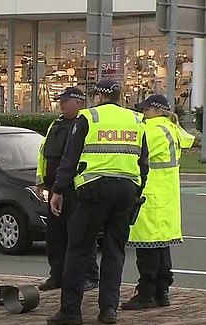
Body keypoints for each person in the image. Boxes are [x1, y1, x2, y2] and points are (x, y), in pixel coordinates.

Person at [46, 79, 149, 325]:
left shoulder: (88, 118)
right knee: (115, 252)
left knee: (78, 249)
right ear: (119, 95)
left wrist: (58, 189)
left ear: (99, 97)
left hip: (93, 190)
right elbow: (143, 163)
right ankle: (108, 310)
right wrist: (137, 190)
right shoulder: (136, 120)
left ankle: (71, 311)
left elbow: (70, 158)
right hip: (125, 190)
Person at [121, 95, 195, 310]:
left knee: (147, 246)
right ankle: (162, 291)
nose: (143, 113)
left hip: (149, 193)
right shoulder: (171, 128)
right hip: (167, 195)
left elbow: (134, 155)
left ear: (156, 110)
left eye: (145, 109)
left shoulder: (150, 130)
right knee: (161, 245)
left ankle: (146, 293)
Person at [36, 87, 99, 292]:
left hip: (76, 188)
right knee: (55, 235)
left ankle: (88, 276)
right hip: (55, 188)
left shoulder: (85, 123)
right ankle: (57, 275)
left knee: (80, 234)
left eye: (66, 101)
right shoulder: (56, 124)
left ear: (79, 102)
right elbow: (44, 154)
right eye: (60, 101)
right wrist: (40, 182)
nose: (61, 104)